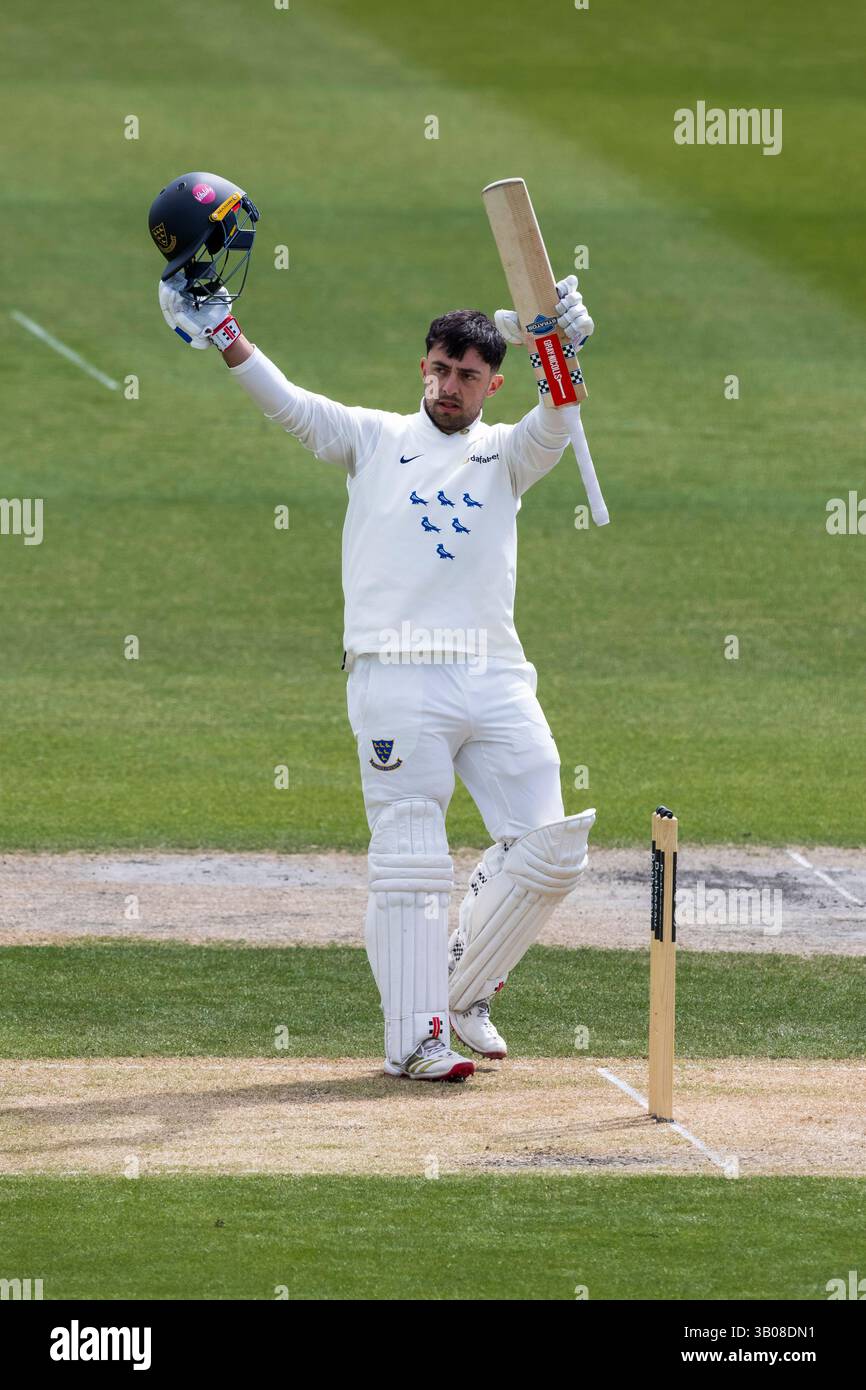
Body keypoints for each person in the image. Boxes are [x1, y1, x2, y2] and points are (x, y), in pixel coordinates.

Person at [153, 173, 596, 1084]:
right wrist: (228, 336)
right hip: (395, 674)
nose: (447, 385)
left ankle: (463, 990)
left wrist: (558, 348)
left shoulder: (506, 455)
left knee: (551, 851)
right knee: (410, 857)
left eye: (465, 375)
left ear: (491, 384)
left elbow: (558, 419)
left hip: (495, 672)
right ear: (422, 367)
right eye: (437, 368)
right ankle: (414, 1037)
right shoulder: (371, 438)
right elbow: (289, 405)